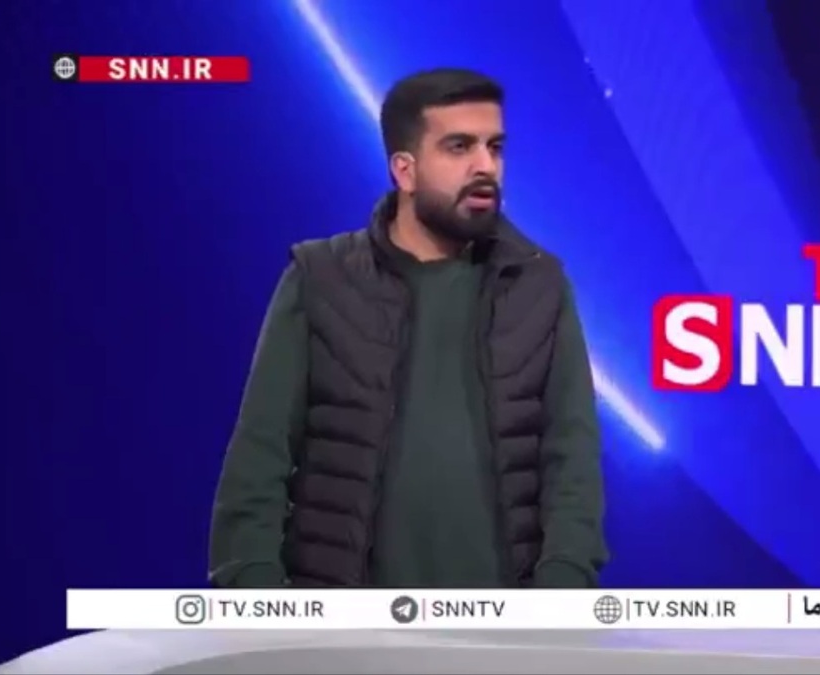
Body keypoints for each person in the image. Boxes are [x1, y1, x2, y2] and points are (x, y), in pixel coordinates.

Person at [208, 68, 607, 589]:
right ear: (405, 170)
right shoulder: (320, 278)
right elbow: (260, 454)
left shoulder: (540, 284)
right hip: (342, 618)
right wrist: (256, 593)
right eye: (459, 147)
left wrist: (562, 589)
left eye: (495, 147)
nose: (485, 166)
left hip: (504, 621)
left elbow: (572, 460)